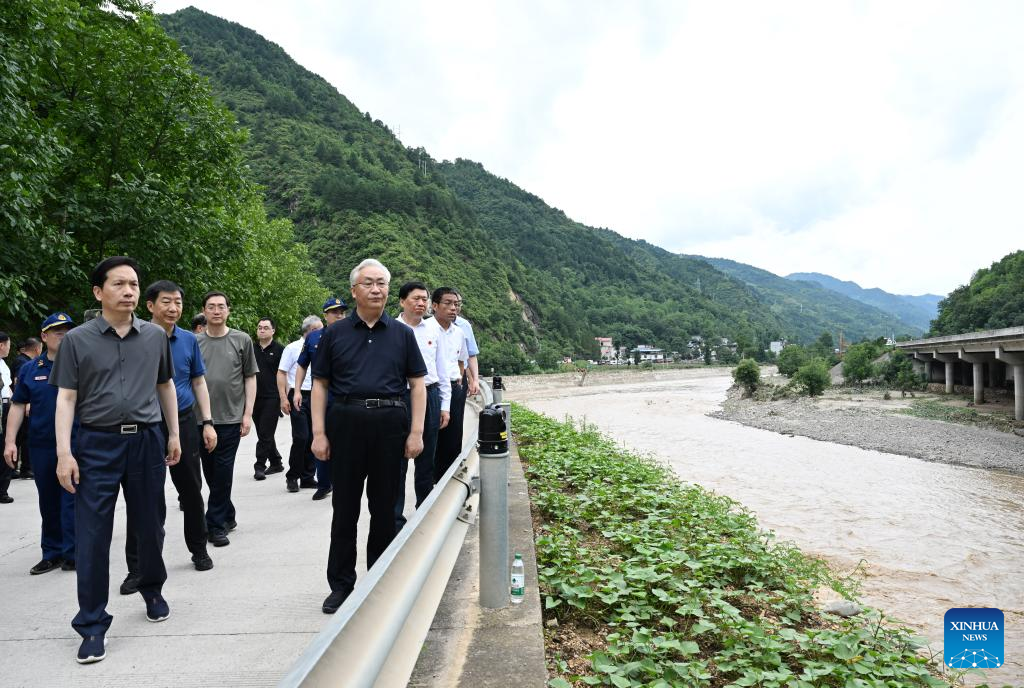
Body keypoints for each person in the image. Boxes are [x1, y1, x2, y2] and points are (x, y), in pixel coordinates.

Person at [51, 256, 180, 664]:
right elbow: (66, 398)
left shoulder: (155, 337)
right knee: (92, 535)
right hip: (96, 445)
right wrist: (64, 452)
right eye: (119, 284)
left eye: (134, 285)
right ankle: (91, 624)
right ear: (98, 291)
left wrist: (173, 433)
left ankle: (152, 588)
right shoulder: (77, 340)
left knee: (149, 523)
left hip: (145, 441)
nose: (128, 291)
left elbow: (165, 386)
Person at [311, 259, 426, 614]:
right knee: (343, 509)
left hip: (391, 424)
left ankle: (379, 581)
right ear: (354, 290)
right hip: (345, 422)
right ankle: (341, 585)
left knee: (385, 509)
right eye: (369, 283)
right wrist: (318, 433)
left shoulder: (403, 334)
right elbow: (320, 384)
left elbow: (417, 384)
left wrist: (416, 432)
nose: (376, 289)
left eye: (381, 283)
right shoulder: (334, 333)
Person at [121, 281, 218, 595]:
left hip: (186, 420)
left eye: (178, 302)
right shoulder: (133, 338)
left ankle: (199, 548)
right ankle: (138, 568)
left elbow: (198, 381)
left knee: (190, 488)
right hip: (145, 424)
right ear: (150, 306)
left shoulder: (189, 340)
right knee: (143, 497)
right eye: (166, 302)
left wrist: (208, 422)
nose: (173, 308)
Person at [4, 314, 78, 568]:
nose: (64, 336)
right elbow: (17, 405)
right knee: (48, 499)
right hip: (42, 443)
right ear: (44, 337)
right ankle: (52, 553)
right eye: (58, 332)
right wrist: (10, 442)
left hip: (76, 443)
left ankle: (73, 553)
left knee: (72, 498)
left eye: (68, 331)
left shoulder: (82, 364)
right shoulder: (30, 369)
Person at [196, 291, 257, 547]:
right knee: (211, 473)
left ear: (228, 310)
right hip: (200, 420)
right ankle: (228, 514)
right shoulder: (193, 341)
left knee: (222, 471)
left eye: (222, 306)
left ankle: (215, 525)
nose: (217, 311)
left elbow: (250, 377)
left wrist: (248, 414)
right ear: (204, 311)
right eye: (212, 307)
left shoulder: (241, 340)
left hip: (231, 417)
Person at [394, 282, 451, 529]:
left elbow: (443, 369)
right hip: (398, 398)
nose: (421, 303)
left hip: (430, 396)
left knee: (426, 459)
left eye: (424, 299)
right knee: (397, 460)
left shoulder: (433, 330)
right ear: (402, 301)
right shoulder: (391, 329)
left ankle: (424, 511)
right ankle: (395, 519)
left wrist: (445, 405)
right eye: (416, 298)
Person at [293, 297, 347, 501]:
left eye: (342, 312)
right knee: (319, 438)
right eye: (335, 312)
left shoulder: (353, 334)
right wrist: (297, 391)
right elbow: (302, 365)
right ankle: (324, 483)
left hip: (345, 398)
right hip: (321, 397)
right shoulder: (314, 338)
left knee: (344, 443)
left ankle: (342, 481)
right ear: (325, 315)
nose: (339, 315)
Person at [277, 315, 322, 493]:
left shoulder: (322, 345)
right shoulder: (292, 348)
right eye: (318, 329)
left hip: (317, 394)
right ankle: (292, 476)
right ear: (309, 330)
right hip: (298, 395)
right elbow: (281, 372)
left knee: (313, 437)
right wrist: (283, 397)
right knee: (301, 437)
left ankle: (308, 476)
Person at [432, 287, 469, 482]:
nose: (453, 308)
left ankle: (451, 483)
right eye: (448, 303)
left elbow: (462, 360)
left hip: (455, 388)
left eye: (456, 304)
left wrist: (460, 382)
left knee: (454, 438)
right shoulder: (426, 329)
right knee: (433, 439)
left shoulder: (459, 333)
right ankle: (432, 485)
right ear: (435, 305)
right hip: (432, 389)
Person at [253, 317, 285, 480]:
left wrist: (284, 397)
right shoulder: (251, 349)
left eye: (266, 328)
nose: (262, 330)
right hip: (253, 397)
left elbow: (284, 375)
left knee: (265, 432)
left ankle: (259, 465)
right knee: (263, 432)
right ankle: (276, 462)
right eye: (259, 327)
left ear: (273, 331)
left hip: (272, 397)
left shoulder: (280, 350)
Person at [11, 337, 41, 480]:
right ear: (37, 349)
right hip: (22, 404)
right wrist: (27, 402)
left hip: (22, 404)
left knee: (22, 437)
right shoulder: (24, 363)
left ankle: (20, 468)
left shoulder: (22, 360)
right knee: (24, 436)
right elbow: (18, 382)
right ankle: (24, 468)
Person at [453, 292, 480, 397]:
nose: (455, 307)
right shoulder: (431, 325)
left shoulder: (464, 325)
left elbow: (470, 355)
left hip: (460, 374)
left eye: (458, 304)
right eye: (451, 303)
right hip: (439, 376)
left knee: (458, 412)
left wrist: (474, 380)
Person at [0, 331, 12, 503]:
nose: (9, 348)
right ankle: (2, 491)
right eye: (8, 345)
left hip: (6, 406)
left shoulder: (3, 363)